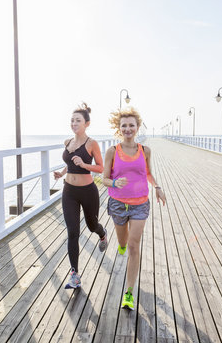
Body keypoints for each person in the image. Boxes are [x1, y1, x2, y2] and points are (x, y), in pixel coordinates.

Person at [102, 107, 166, 310]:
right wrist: (114, 183)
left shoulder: (145, 151)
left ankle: (129, 292)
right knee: (123, 241)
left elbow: (148, 174)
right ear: (119, 128)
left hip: (140, 204)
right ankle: (120, 243)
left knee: (133, 246)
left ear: (137, 127)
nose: (128, 128)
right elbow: (104, 178)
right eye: (124, 125)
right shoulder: (112, 151)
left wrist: (157, 187)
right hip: (118, 204)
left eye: (131, 125)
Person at [54, 103, 108, 289]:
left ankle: (102, 234)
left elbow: (101, 168)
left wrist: (85, 165)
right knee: (72, 232)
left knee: (92, 225)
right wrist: (62, 173)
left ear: (87, 123)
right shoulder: (67, 142)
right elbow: (70, 164)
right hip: (69, 192)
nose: (74, 123)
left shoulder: (92, 144)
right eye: (72, 120)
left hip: (88, 192)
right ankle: (74, 274)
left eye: (78, 120)